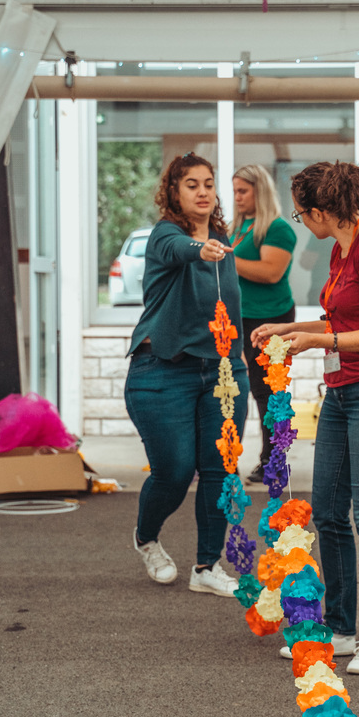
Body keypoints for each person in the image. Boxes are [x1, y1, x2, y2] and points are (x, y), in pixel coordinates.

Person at [251, 161, 359, 675]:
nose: (304, 224)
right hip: (344, 390)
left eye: (302, 216)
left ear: (323, 211)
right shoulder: (343, 250)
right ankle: (342, 628)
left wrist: (316, 340)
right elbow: (343, 319)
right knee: (327, 513)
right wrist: (289, 325)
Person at [124, 153, 249, 597]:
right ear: (174, 192)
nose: (202, 191)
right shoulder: (165, 236)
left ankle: (206, 567)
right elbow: (178, 250)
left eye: (209, 184)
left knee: (221, 469)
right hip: (162, 372)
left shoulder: (223, 239)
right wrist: (200, 248)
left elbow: (229, 306)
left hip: (222, 372)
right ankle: (146, 536)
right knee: (174, 471)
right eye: (191, 184)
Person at [229, 164, 297, 484]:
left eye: (243, 191)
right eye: (235, 191)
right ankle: (267, 459)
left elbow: (270, 272)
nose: (237, 197)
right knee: (252, 388)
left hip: (272, 317)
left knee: (269, 391)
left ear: (261, 191)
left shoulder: (278, 229)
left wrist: (226, 257)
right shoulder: (239, 227)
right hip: (243, 318)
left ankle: (275, 461)